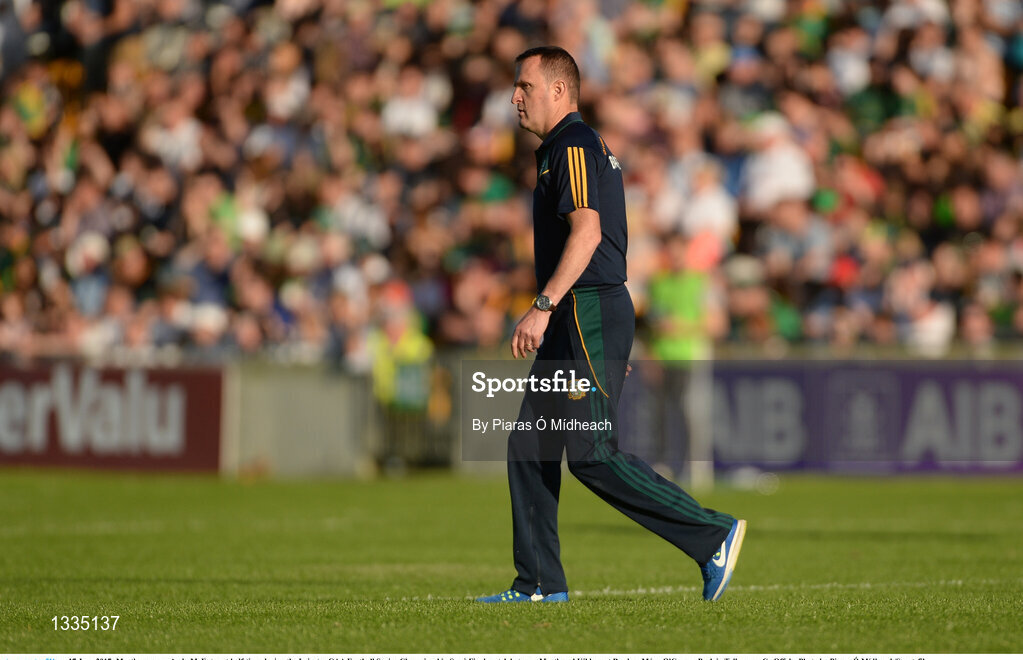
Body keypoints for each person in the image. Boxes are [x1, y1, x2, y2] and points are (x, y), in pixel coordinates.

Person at [476, 46, 746, 604]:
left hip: (585, 307)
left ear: (559, 90)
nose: (514, 97)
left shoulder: (572, 143)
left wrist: (543, 306)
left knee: (594, 453)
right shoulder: (556, 149)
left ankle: (711, 533)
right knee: (530, 446)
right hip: (582, 313)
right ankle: (538, 584)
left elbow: (588, 232)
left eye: (525, 86)